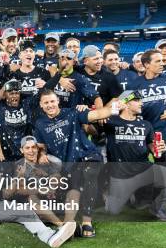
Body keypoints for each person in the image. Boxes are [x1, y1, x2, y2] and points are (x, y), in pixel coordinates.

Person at [34, 89, 121, 237]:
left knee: (89, 174)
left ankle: (87, 222)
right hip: (69, 164)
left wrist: (115, 107)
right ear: (41, 105)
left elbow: (97, 114)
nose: (50, 105)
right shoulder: (40, 124)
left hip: (88, 155)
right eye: (46, 102)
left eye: (52, 101)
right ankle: (69, 226)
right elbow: (41, 146)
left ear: (58, 101)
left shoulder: (72, 113)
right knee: (73, 191)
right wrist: (41, 154)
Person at [103, 90, 166, 221]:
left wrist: (160, 150)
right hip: (121, 175)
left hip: (144, 170)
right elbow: (91, 129)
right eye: (137, 100)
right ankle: (121, 194)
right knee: (112, 211)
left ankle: (158, 208)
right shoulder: (110, 122)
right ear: (126, 104)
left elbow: (154, 151)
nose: (141, 103)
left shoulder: (146, 125)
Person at [129, 49, 166, 164]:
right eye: (158, 61)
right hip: (142, 131)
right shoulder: (135, 84)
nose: (162, 64)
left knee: (163, 164)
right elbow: (125, 103)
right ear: (147, 65)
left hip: (164, 131)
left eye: (162, 61)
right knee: (139, 164)